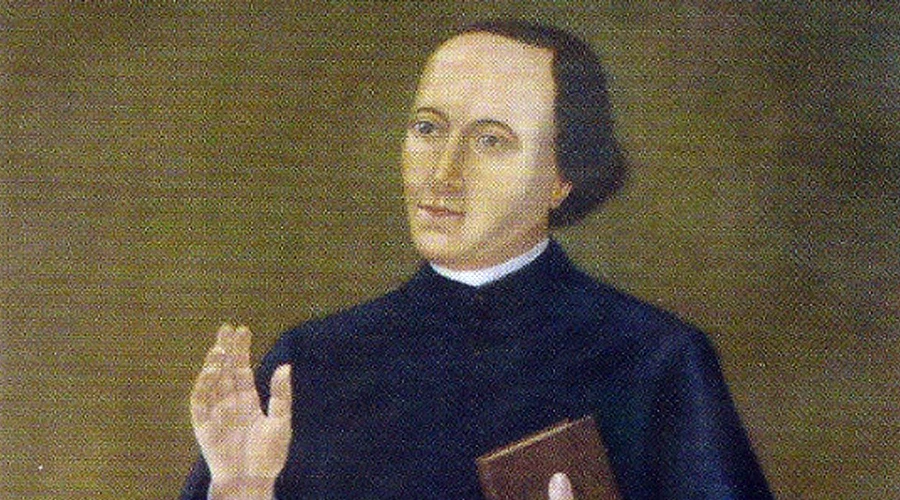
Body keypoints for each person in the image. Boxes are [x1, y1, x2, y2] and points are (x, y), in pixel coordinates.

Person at [180, 20, 773, 500]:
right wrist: (240, 488)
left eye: (491, 141)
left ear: (563, 176)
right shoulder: (310, 364)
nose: (444, 173)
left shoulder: (654, 362)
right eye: (428, 129)